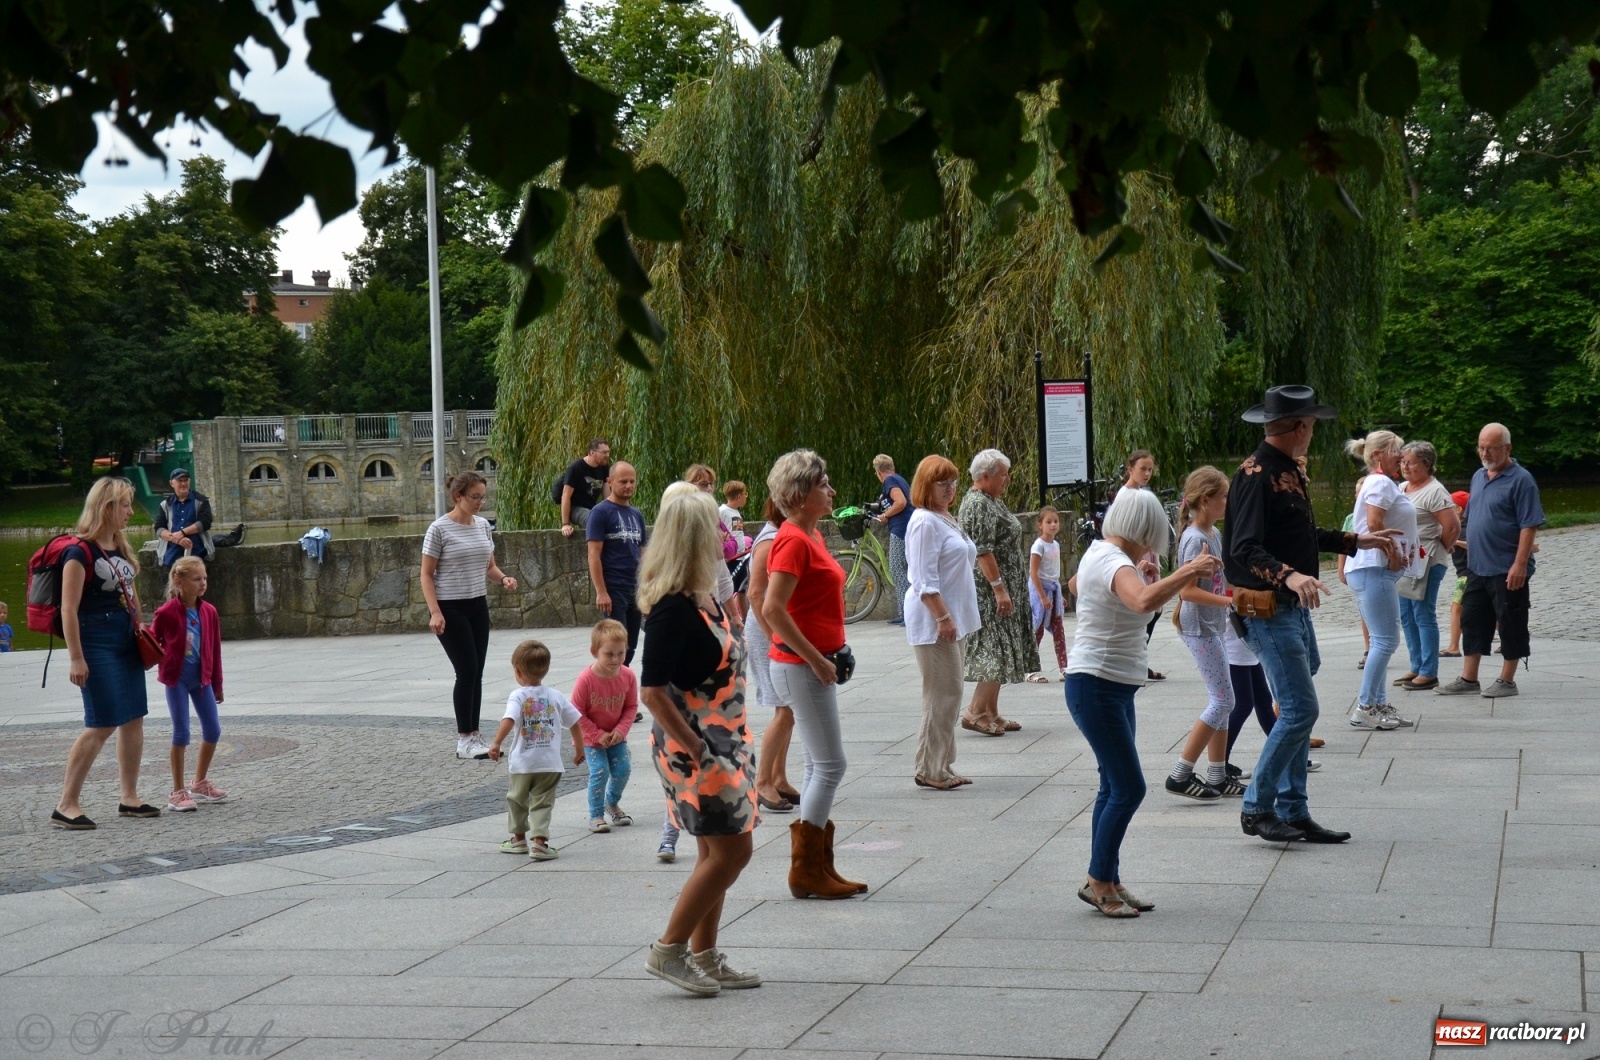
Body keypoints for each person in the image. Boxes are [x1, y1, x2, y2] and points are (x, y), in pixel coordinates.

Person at [1222, 385, 1400, 845]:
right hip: (1268, 608)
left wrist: (1353, 541)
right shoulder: (1256, 474)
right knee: (1301, 709)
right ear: (1300, 427)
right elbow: (1243, 548)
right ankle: (1257, 807)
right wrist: (1289, 576)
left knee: (1303, 691)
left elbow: (1295, 533)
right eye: (1313, 424)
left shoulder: (1288, 470)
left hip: (1291, 605)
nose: (1314, 432)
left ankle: (1294, 811)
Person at [1066, 488, 1224, 916]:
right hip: (1096, 685)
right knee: (1129, 787)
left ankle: (1107, 878)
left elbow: (1116, 599)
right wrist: (1186, 571)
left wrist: (1151, 580)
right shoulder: (1112, 560)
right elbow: (1137, 601)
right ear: (1148, 527)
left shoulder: (1108, 556)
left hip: (1112, 684)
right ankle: (1099, 881)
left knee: (1112, 785)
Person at [639, 488, 763, 996]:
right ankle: (669, 950)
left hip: (722, 740)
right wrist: (694, 747)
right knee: (732, 854)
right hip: (699, 747)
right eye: (716, 527)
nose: (725, 534)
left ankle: (704, 955)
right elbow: (651, 691)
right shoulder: (672, 608)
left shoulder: (702, 594)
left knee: (717, 853)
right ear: (694, 537)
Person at [762, 448, 867, 900]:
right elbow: (771, 608)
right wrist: (816, 658)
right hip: (801, 668)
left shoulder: (811, 536)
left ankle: (816, 865)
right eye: (823, 485)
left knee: (817, 765)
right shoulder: (791, 540)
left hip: (808, 664)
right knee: (830, 765)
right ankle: (807, 868)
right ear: (801, 493)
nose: (832, 491)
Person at [52, 477, 160, 829]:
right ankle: (67, 803)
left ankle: (129, 797)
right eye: (125, 505)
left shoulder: (121, 547)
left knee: (133, 718)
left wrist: (141, 628)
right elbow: (69, 609)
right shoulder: (77, 552)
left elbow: (130, 592)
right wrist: (76, 657)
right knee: (101, 722)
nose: (130, 511)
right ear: (106, 507)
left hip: (125, 638)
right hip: (95, 640)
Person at [1438, 423, 1544, 699]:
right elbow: (1472, 519)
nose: (1485, 453)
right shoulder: (1478, 476)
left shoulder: (1522, 480)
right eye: (1481, 447)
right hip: (1478, 566)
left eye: (1491, 448)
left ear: (1507, 448)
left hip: (1507, 568)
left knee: (1511, 621)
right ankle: (1469, 678)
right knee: (1472, 621)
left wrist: (1520, 564)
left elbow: (1529, 525)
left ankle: (1507, 680)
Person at [422, 471, 519, 760]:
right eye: (474, 497)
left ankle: (475, 733)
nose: (480, 502)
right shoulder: (439, 530)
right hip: (450, 607)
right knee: (465, 671)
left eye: (483, 497)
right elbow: (426, 575)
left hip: (477, 604)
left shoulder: (482, 527)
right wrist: (435, 612)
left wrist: (503, 579)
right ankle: (464, 739)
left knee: (476, 672)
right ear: (458, 497)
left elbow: (489, 566)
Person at [1164, 466, 1246, 801]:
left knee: (1223, 700)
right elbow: (1186, 592)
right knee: (1224, 699)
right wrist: (1230, 601)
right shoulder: (1196, 538)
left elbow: (1222, 578)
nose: (1229, 501)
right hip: (1199, 626)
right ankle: (1180, 773)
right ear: (1206, 499)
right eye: (1224, 496)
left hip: (1212, 624)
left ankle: (1216, 774)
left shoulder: (1213, 534)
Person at [904, 454, 980, 789]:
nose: (950, 488)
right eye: (942, 482)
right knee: (943, 693)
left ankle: (940, 764)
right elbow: (923, 579)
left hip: (951, 617)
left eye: (952, 482)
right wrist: (943, 617)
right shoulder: (924, 522)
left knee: (949, 691)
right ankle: (930, 768)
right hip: (935, 619)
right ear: (926, 485)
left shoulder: (943, 516)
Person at [1343, 430, 1420, 730]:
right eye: (1396, 450)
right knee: (1386, 640)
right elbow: (1374, 523)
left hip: (1372, 568)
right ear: (1377, 455)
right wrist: (1393, 552)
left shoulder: (1385, 482)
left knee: (1382, 640)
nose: (1401, 456)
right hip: (1372, 567)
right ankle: (1365, 706)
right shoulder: (1378, 482)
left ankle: (1377, 702)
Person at [958, 449, 1039, 736]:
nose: (1008, 479)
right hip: (989, 590)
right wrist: (999, 590)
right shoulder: (978, 504)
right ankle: (975, 711)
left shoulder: (992, 500)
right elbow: (983, 550)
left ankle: (991, 710)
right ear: (985, 476)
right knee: (994, 647)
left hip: (1004, 587)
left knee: (1003, 646)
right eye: (1003, 474)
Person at [487, 639, 585, 861]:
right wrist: (579, 748)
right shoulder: (556, 696)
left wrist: (496, 743)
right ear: (546, 669)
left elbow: (509, 719)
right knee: (542, 802)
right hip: (549, 763)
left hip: (523, 763)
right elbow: (575, 722)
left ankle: (518, 840)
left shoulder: (518, 696)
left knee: (517, 799)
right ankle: (539, 843)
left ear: (518, 671)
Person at [151, 557, 228, 813]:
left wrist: (217, 683)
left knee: (213, 730)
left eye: (204, 578)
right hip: (177, 679)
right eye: (197, 579)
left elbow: (215, 649)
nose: (203, 583)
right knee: (181, 733)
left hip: (202, 679)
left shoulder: (209, 612)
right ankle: (177, 791)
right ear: (179, 581)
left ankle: (200, 782)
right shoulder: (166, 612)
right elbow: (153, 640)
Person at [746, 498, 801, 813]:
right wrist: (774, 638)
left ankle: (778, 777)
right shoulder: (770, 539)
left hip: (776, 627)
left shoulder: (783, 533)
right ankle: (763, 781)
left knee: (789, 708)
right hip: (767, 629)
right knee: (784, 708)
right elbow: (755, 594)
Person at [1395, 441, 1459, 691]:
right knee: (1407, 614)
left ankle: (1429, 671)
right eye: (1402, 461)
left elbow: (1452, 527)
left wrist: (1442, 546)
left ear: (1427, 464)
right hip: (1405, 561)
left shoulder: (1435, 491)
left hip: (1428, 559)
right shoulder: (1402, 488)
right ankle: (1416, 665)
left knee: (1423, 613)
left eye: (1410, 462)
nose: (1405, 466)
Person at [573, 619, 636, 834]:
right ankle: (596, 814)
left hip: (616, 736)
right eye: (609, 654)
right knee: (600, 771)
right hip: (591, 739)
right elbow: (576, 712)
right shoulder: (586, 680)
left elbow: (631, 707)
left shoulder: (628, 676)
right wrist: (597, 734)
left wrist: (620, 731)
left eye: (621, 653)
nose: (616, 659)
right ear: (594, 652)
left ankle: (612, 802)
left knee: (623, 770)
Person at [1116, 450, 1170, 682]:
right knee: (1144, 611)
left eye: (1150, 469)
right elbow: (1121, 534)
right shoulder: (1125, 496)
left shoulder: (1142, 493)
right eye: (1142, 469)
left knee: (1153, 611)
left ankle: (1139, 660)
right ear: (1130, 469)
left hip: (1148, 558)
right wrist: (1137, 562)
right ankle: (1135, 661)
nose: (1147, 473)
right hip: (1135, 560)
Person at [586, 461, 647, 664]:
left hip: (635, 589)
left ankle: (623, 688)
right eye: (623, 481)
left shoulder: (636, 514)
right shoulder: (600, 512)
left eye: (632, 481)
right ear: (610, 482)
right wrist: (601, 591)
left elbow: (643, 554)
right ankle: (610, 686)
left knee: (630, 647)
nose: (628, 486)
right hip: (614, 588)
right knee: (615, 645)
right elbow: (594, 554)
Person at [1025, 506, 1068, 683]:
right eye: (1048, 522)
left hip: (1053, 590)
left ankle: (1064, 667)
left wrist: (1059, 596)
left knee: (1059, 630)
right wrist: (1042, 596)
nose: (1053, 525)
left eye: (1055, 521)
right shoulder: (1038, 546)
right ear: (1040, 525)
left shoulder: (1055, 544)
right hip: (1040, 591)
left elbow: (1054, 573)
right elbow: (1033, 573)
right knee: (1037, 630)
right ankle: (1030, 669)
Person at [873, 455, 914, 625]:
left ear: (879, 472)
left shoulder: (889, 481)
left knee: (897, 569)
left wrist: (885, 515)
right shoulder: (899, 479)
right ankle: (903, 612)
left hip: (900, 529)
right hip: (905, 527)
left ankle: (908, 613)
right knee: (902, 570)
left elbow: (901, 502)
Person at [153, 468, 214, 574]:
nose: (183, 483)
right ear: (171, 483)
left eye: (185, 480)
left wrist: (182, 533)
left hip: (197, 553)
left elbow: (205, 522)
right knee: (171, 589)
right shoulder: (165, 504)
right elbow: (159, 528)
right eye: (179, 481)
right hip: (171, 555)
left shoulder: (201, 501)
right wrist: (175, 538)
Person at [557, 438, 612, 536]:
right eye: (604, 452)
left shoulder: (604, 467)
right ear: (592, 453)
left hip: (593, 508)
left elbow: (607, 496)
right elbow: (565, 496)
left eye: (608, 452)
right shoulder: (576, 468)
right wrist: (565, 524)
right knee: (594, 520)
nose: (607, 455)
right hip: (574, 508)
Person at [1443, 490, 1471, 657]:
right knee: (1489, 608)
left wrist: (1455, 541)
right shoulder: (1459, 527)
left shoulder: (1463, 528)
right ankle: (1506, 638)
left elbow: (1473, 544)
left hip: (1467, 574)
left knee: (1456, 608)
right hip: (1465, 573)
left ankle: (1454, 647)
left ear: (1459, 510)